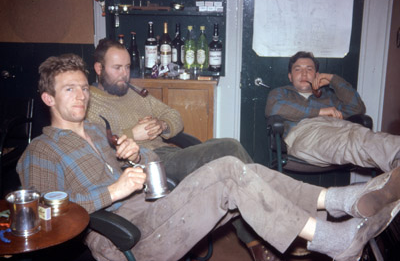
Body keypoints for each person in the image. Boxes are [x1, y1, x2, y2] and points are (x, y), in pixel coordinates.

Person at [17, 54, 400, 261]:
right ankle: (333, 234)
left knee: (241, 169)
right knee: (232, 170)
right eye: (70, 90)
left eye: (83, 88)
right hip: (121, 237)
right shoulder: (41, 151)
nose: (81, 96)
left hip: (156, 205)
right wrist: (113, 191)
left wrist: (138, 154)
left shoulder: (101, 134)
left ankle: (340, 202)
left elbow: (153, 160)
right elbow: (45, 221)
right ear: (49, 98)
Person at [86, 38, 274, 260]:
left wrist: (162, 125)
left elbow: (174, 116)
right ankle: (264, 233)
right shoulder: (88, 103)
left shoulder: (133, 93)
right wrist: (132, 134)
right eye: (117, 68)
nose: (124, 74)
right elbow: (97, 147)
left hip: (169, 154)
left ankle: (262, 232)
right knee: (228, 148)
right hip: (148, 165)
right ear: (99, 69)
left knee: (228, 146)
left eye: (127, 67)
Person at [266, 51, 400, 172]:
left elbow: (357, 107)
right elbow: (274, 108)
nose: (304, 74)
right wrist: (320, 112)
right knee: (350, 143)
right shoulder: (280, 93)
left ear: (316, 75)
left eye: (309, 69)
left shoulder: (329, 97)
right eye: (298, 69)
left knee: (365, 136)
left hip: (341, 128)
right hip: (305, 134)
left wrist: (333, 79)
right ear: (290, 76)